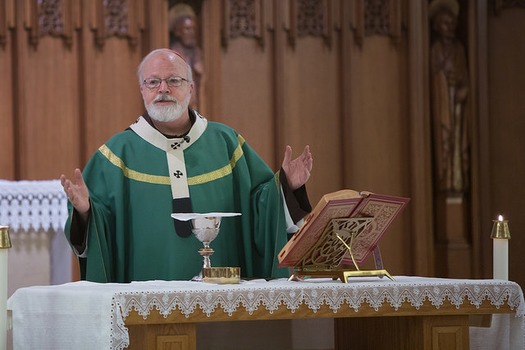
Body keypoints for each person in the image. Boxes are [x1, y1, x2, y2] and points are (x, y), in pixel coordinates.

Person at [60, 48, 313, 283]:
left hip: (223, 295)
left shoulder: (226, 143)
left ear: (191, 88)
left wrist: (287, 187)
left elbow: (261, 207)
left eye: (174, 81)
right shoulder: (116, 155)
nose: (163, 89)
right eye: (153, 82)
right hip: (144, 300)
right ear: (142, 90)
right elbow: (99, 237)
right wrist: (85, 212)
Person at [429, 0, 469, 196]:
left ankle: (457, 178)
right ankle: (446, 177)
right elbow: (436, 75)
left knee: (458, 144)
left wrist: (463, 88)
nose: (450, 28)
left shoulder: (459, 48)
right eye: (445, 23)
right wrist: (444, 83)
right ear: (437, 25)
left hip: (457, 105)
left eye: (452, 23)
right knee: (444, 141)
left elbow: (464, 76)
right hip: (443, 101)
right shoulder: (436, 49)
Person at [169, 4, 203, 109]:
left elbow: (200, 71)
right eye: (187, 29)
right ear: (178, 32)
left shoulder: (196, 51)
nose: (192, 33)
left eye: (193, 29)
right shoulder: (174, 52)